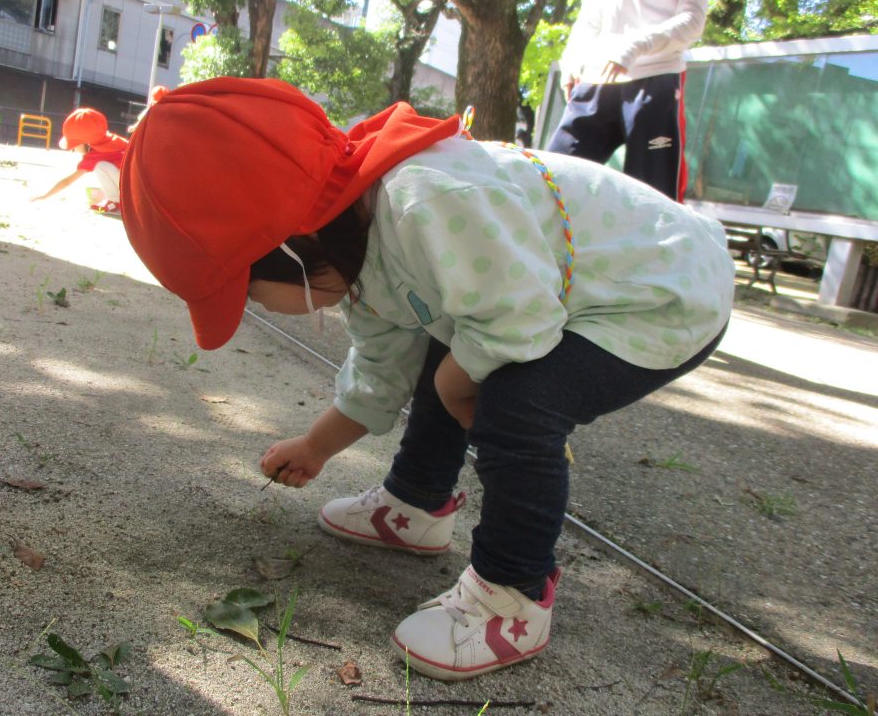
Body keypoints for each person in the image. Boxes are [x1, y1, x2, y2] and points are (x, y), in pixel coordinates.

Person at [119, 78, 734, 681]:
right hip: (574, 290)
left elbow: (520, 324)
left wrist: (453, 386)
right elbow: (382, 371)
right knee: (447, 352)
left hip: (664, 291)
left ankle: (513, 595)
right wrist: (315, 447)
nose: (258, 307)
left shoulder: (425, 202)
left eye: (249, 292)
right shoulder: (360, 254)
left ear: (290, 245)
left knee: (519, 401)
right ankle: (416, 503)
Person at [546, 0, 713, 201]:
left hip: (656, 79)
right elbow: (591, 16)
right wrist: (571, 59)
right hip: (596, 79)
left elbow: (692, 20)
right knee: (549, 179)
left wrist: (634, 47)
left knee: (653, 199)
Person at [31, 108, 128, 215]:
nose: (73, 149)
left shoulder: (94, 154)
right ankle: (119, 201)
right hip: (138, 186)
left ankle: (115, 203)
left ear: (86, 143)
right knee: (107, 167)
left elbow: (68, 181)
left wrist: (45, 196)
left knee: (101, 166)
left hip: (131, 188)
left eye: (74, 145)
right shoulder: (112, 139)